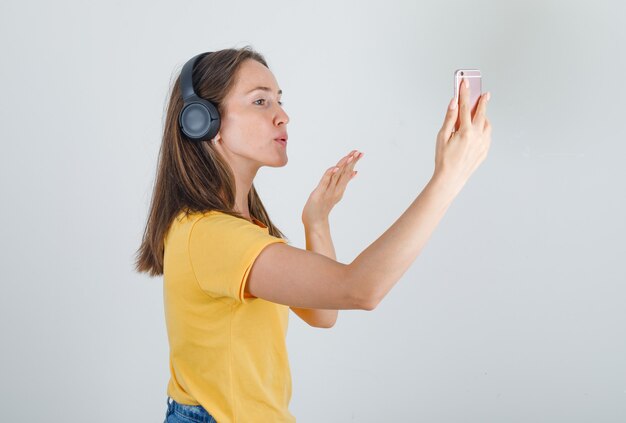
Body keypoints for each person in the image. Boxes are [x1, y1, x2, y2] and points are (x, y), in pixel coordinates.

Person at [135, 46, 492, 423]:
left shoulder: (238, 228)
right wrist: (448, 178)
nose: (282, 116)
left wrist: (317, 221)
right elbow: (361, 290)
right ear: (202, 121)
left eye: (279, 101)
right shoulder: (211, 236)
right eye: (260, 101)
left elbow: (323, 314)